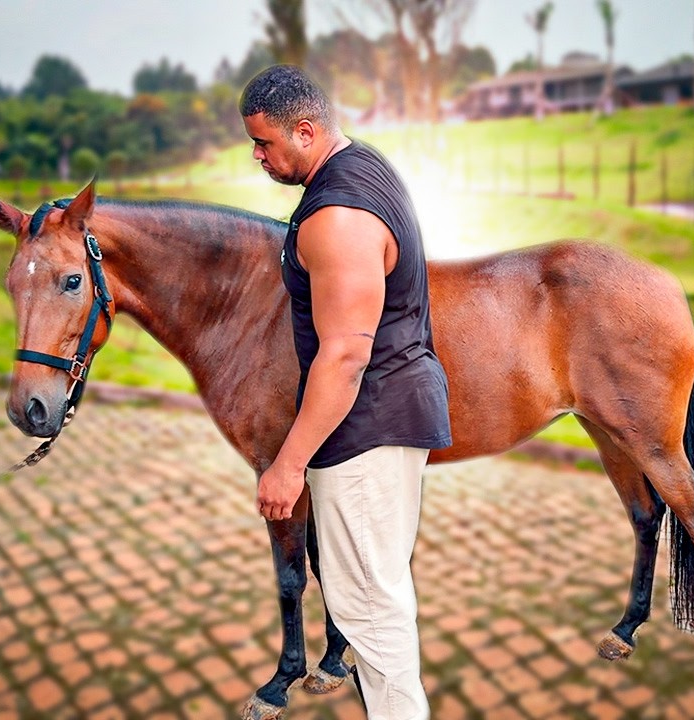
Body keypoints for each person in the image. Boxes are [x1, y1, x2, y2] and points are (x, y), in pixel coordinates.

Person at [240, 65, 451, 720]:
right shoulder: (361, 165)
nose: (257, 156)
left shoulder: (336, 215)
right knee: (377, 600)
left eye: (266, 143)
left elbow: (347, 353)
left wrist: (288, 463)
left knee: (369, 609)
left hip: (367, 429)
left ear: (306, 132)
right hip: (386, 417)